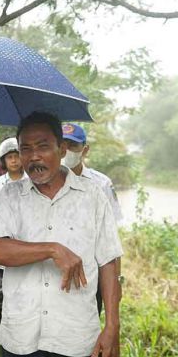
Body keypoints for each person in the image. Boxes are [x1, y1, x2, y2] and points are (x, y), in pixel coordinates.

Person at [0, 111, 123, 357]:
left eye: (43, 146)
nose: (33, 156)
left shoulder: (92, 196)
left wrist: (112, 325)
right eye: (26, 149)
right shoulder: (8, 197)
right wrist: (51, 249)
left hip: (76, 333)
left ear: (62, 149)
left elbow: (108, 262)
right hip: (22, 333)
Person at [62, 123, 124, 314]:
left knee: (88, 330)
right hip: (56, 270)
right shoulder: (45, 182)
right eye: (62, 145)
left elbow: (111, 237)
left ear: (85, 150)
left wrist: (116, 279)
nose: (66, 152)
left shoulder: (101, 184)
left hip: (92, 274)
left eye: (72, 146)